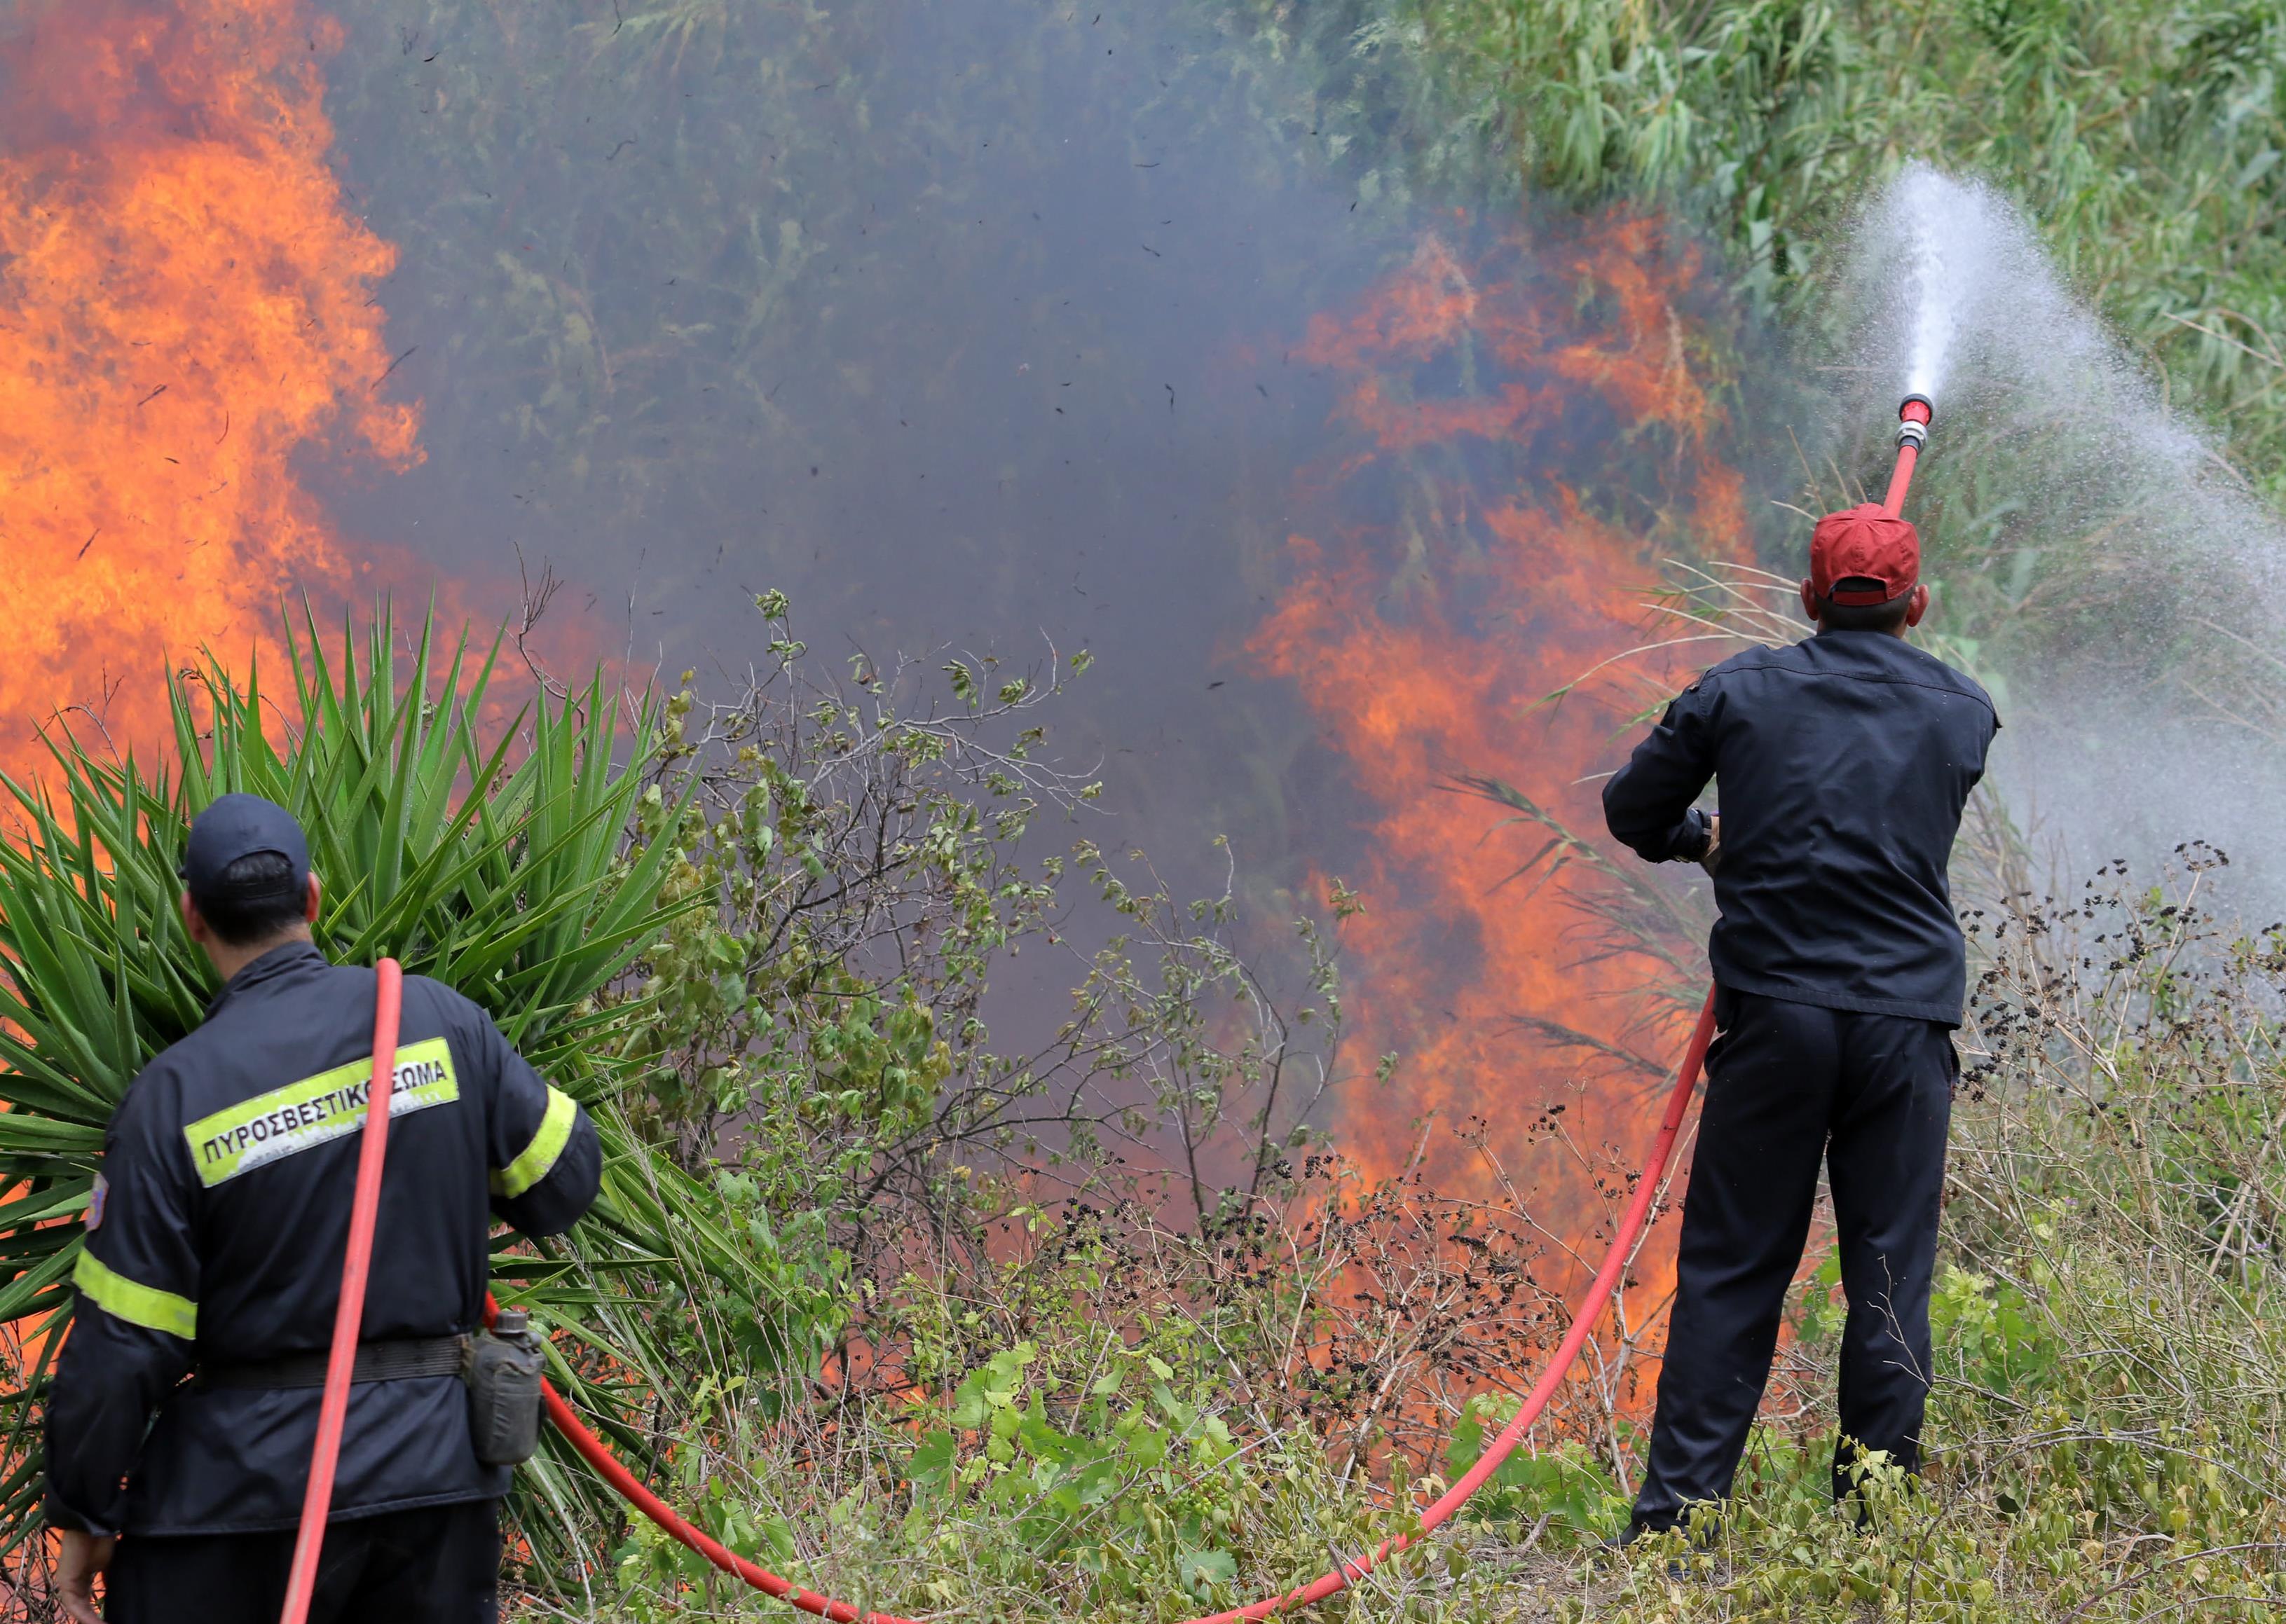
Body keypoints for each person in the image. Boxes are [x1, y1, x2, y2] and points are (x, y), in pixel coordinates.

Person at [44, 794, 603, 1623]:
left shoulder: (170, 1100)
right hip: (434, 1493)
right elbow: (564, 1183)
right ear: (311, 895)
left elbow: (122, 1345)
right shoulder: (443, 1024)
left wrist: (84, 1511)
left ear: (194, 918)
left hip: (242, 1503)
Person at [1601, 504, 1999, 1539]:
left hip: (1775, 1023)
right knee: (1886, 1276)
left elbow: (1630, 809)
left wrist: (1706, 841)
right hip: (1902, 1031)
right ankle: (1870, 1524)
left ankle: (1676, 1529)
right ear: (1920, 604)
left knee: (1733, 1271)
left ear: (1807, 596)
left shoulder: (1738, 690)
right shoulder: (1963, 711)